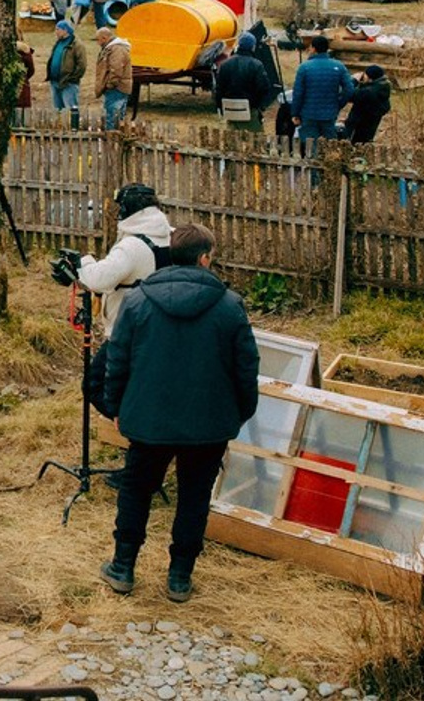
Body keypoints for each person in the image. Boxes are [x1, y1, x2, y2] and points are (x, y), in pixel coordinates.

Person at [99, 224, 259, 603]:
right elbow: (246, 368)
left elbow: (116, 360)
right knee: (194, 496)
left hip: (148, 421)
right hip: (208, 425)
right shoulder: (230, 306)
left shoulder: (138, 302)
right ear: (205, 258)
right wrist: (239, 413)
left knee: (137, 490)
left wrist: (115, 407)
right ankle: (179, 578)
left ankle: (123, 567)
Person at [77, 182, 174, 412]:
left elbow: (99, 279)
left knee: (95, 384)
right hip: (162, 322)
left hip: (127, 327)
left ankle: (133, 430)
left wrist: (84, 262)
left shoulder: (131, 246)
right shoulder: (171, 236)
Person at [291, 34, 354, 147]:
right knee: (330, 143)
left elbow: (298, 93)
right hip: (330, 112)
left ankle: (312, 162)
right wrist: (338, 104)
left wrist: (295, 113)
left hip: (308, 112)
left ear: (314, 49)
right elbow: (349, 89)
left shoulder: (304, 67)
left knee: (310, 144)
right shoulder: (339, 66)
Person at [214, 33, 274, 131]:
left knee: (232, 140)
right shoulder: (256, 65)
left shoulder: (225, 65)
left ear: (239, 45)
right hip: (249, 110)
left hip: (229, 109)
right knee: (255, 141)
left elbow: (219, 89)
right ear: (253, 47)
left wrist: (220, 106)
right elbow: (264, 88)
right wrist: (259, 106)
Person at [46, 19, 86, 124]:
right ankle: (60, 129)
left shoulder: (77, 45)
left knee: (70, 109)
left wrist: (71, 78)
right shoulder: (58, 43)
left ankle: (73, 130)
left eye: (58, 29)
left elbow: (82, 65)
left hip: (68, 84)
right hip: (55, 81)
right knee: (57, 109)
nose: (56, 32)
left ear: (65, 30)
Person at [95, 27, 133, 130]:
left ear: (104, 38)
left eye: (98, 39)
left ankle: (111, 140)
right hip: (120, 87)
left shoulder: (117, 49)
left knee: (112, 116)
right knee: (118, 116)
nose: (98, 43)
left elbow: (116, 69)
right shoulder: (114, 48)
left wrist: (110, 84)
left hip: (117, 88)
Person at [345, 64, 392, 144]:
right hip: (370, 126)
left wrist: (354, 81)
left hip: (358, 126)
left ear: (370, 78)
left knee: (355, 145)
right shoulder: (382, 88)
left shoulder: (368, 92)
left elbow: (350, 96)